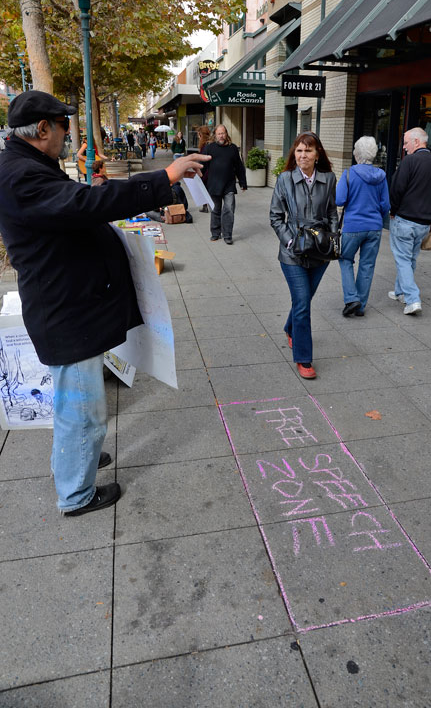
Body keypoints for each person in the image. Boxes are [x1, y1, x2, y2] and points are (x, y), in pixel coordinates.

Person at [0, 90, 210, 516]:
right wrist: (164, 177)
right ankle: (77, 494)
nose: (66, 133)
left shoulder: (25, 165)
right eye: (62, 125)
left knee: (72, 401)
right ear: (43, 129)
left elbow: (73, 207)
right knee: (82, 409)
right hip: (65, 311)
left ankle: (74, 461)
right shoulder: (19, 174)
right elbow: (85, 206)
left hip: (68, 304)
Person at [270, 131, 338, 379]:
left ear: (317, 154)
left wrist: (332, 236)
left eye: (308, 150)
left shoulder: (329, 179)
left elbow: (331, 211)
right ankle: (304, 359)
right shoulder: (284, 179)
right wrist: (290, 241)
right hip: (293, 254)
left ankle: (290, 328)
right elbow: (275, 217)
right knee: (303, 304)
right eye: (299, 150)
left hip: (320, 252)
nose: (303, 155)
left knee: (304, 300)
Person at [389, 127, 431, 315]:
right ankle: (401, 292)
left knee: (403, 260)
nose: (404, 147)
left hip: (405, 220)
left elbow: (397, 188)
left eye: (406, 143)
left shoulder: (410, 161)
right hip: (424, 224)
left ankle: (412, 299)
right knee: (410, 259)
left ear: (416, 142)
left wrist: (393, 210)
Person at [336, 136, 390, 317]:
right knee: (367, 265)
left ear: (356, 153)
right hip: (374, 227)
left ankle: (351, 298)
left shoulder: (349, 174)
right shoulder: (381, 176)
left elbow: (339, 199)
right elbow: (385, 205)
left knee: (345, 260)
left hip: (353, 227)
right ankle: (360, 306)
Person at [203, 124, 247, 244]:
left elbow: (239, 166)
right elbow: (202, 166)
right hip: (214, 185)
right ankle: (215, 233)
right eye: (219, 134)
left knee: (229, 210)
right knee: (215, 210)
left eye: (223, 133)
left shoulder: (232, 148)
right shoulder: (209, 148)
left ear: (226, 134)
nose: (221, 136)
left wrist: (243, 182)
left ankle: (227, 235)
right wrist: (200, 182)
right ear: (215, 135)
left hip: (229, 185)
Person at [197, 125, 211, 213]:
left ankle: (206, 206)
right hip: (208, 171)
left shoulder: (205, 146)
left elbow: (203, 161)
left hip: (206, 172)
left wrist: (200, 171)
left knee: (204, 189)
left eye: (199, 135)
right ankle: (205, 205)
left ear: (201, 135)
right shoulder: (210, 144)